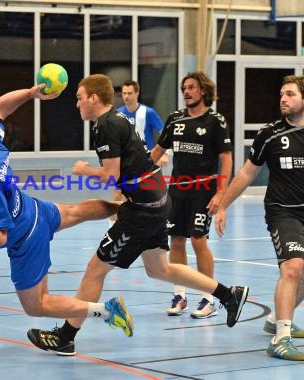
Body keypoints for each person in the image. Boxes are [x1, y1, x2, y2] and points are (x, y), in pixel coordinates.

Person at [27, 74, 249, 356]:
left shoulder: (107, 124)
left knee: (95, 270)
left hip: (143, 210)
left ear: (94, 98)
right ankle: (229, 295)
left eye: (80, 97)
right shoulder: (117, 121)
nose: (77, 104)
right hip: (157, 202)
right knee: (160, 269)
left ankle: (66, 336)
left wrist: (86, 171)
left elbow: (111, 175)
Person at [0, 84, 134, 356]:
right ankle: (125, 208)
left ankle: (106, 312)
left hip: (25, 238)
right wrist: (30, 94)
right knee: (78, 212)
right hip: (33, 209)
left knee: (36, 306)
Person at [214, 75, 304, 361]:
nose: (283, 99)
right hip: (282, 210)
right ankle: (281, 338)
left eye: (290, 94)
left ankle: (278, 319)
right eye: (281, 94)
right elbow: (246, 173)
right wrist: (223, 206)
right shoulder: (269, 134)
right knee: (292, 268)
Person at [150, 71, 232, 318]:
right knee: (175, 240)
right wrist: (135, 176)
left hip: (204, 189)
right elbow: (157, 152)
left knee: (198, 241)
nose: (186, 91)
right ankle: (180, 295)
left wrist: (221, 194)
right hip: (177, 189)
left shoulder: (216, 121)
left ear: (203, 91)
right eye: (184, 87)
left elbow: (226, 160)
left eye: (191, 87)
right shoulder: (175, 119)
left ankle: (208, 298)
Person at [108, 80, 168, 226]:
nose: (126, 96)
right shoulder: (119, 114)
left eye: (129, 93)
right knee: (118, 194)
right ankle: (113, 229)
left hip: (147, 162)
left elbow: (165, 133)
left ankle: (157, 229)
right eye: (124, 93)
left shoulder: (148, 113)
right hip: (125, 162)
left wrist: (164, 153)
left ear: (137, 94)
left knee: (152, 195)